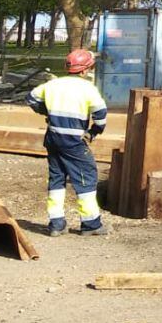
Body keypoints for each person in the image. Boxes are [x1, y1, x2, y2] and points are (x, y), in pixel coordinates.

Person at [27, 48, 108, 236]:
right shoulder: (88, 88)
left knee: (57, 177)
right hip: (73, 141)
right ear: (86, 69)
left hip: (53, 138)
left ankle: (56, 223)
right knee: (86, 177)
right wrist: (94, 131)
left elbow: (31, 98)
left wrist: (45, 111)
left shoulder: (53, 84)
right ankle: (91, 224)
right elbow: (101, 115)